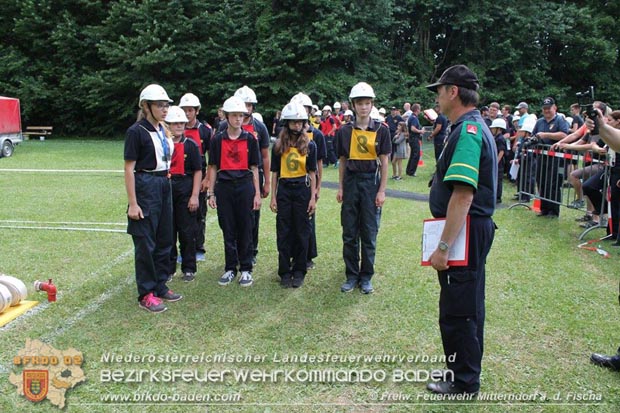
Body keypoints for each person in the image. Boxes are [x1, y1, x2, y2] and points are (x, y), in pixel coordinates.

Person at [425, 65, 497, 395]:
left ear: (453, 91)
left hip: (465, 231)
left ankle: (464, 380)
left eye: (439, 90)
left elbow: (463, 194)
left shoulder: (468, 131)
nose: (437, 96)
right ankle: (462, 371)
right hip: (469, 230)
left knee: (459, 308)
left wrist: (442, 248)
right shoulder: (470, 126)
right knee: (466, 303)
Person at [124, 84, 183, 313]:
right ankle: (146, 293)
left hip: (164, 183)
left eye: (167, 104)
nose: (165, 108)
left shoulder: (163, 129)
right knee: (145, 241)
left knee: (164, 238)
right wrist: (133, 203)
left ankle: (159, 285)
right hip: (146, 184)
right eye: (160, 105)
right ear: (146, 106)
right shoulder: (136, 132)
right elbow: (129, 169)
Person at [336, 82, 391, 294]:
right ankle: (351, 275)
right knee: (349, 232)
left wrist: (382, 190)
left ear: (372, 105)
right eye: (360, 103)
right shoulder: (345, 131)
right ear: (353, 105)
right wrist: (340, 187)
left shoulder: (381, 130)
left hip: (371, 181)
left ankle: (366, 276)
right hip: (351, 182)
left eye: (367, 103)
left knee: (369, 231)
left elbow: (384, 162)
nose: (364, 107)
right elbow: (342, 160)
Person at [206, 96, 261, 287]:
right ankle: (230, 268)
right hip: (225, 187)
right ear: (226, 116)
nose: (238, 119)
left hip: (245, 186)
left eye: (241, 115)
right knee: (227, 227)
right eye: (234, 115)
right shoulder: (217, 140)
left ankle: (246, 269)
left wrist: (256, 193)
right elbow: (212, 167)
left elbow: (254, 168)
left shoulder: (250, 139)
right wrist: (211, 193)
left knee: (246, 227)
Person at [269, 102, 317, 288]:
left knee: (301, 230)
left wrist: (312, 197)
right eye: (293, 122)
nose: (297, 125)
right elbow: (275, 173)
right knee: (284, 231)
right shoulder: (279, 145)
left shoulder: (309, 144)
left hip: (302, 190)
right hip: (285, 190)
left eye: (300, 122)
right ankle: (284, 271)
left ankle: (299, 269)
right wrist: (273, 196)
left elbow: (312, 173)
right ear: (287, 123)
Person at [231, 86, 271, 265]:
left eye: (249, 105)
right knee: (233, 217)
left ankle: (251, 250)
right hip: (232, 176)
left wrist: (267, 182)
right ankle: (235, 252)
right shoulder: (226, 126)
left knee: (252, 215)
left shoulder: (259, 127)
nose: (245, 108)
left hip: (254, 175)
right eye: (242, 104)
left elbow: (265, 156)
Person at [290, 92, 327, 271]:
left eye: (304, 109)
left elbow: (319, 164)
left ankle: (307, 255)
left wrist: (317, 188)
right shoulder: (286, 135)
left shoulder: (316, 135)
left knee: (308, 220)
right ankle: (293, 254)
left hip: (308, 184)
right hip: (291, 184)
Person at [165, 106, 202, 282]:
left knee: (187, 232)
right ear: (168, 125)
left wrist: (195, 195)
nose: (179, 126)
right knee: (167, 232)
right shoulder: (163, 143)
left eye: (181, 123)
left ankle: (189, 267)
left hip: (185, 191)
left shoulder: (192, 145)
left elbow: (197, 171)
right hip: (166, 191)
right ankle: (168, 268)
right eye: (175, 123)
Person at [179, 93, 212, 263]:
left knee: (199, 214)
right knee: (180, 215)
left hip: (199, 174)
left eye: (190, 110)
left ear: (197, 111)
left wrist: (207, 180)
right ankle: (183, 249)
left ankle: (199, 247)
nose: (187, 113)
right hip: (180, 175)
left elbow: (211, 157)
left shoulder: (205, 130)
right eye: (184, 110)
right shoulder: (176, 127)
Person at [531, 97, 569, 217]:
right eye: (544, 108)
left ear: (555, 108)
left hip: (556, 157)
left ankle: (554, 210)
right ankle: (544, 208)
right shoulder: (540, 122)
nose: (547, 111)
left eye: (549, 108)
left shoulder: (560, 120)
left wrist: (546, 134)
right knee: (541, 181)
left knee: (553, 183)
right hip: (542, 156)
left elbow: (564, 134)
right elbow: (534, 135)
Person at [490, 118, 507, 203]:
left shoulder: (500, 139)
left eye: (494, 128)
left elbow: (501, 151)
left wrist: (496, 162)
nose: (492, 129)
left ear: (499, 129)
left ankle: (498, 197)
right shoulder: (497, 137)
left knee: (498, 180)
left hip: (499, 163)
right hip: (497, 162)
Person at [406, 103, 424, 177]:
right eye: (419, 109)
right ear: (417, 110)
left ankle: (409, 170)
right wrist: (420, 131)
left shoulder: (411, 117)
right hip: (414, 138)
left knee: (413, 154)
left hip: (412, 138)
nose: (420, 111)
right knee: (416, 155)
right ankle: (412, 172)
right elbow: (412, 128)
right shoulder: (414, 118)